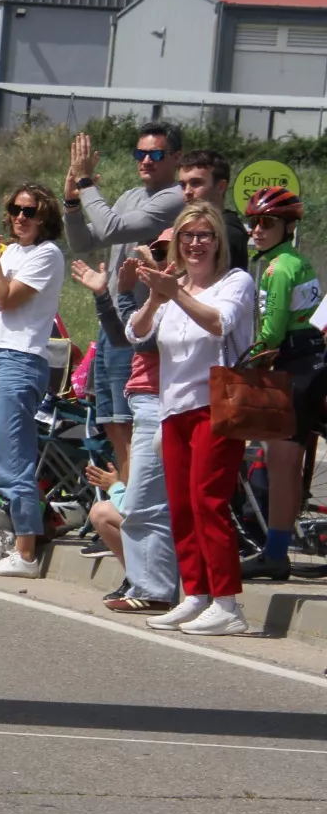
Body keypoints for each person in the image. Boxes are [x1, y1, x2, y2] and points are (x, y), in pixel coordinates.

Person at [127, 202, 256, 636]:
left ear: (219, 242)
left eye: (204, 236)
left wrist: (175, 293)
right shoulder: (175, 284)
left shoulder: (235, 282)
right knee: (181, 506)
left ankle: (228, 604)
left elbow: (221, 323)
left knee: (208, 502)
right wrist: (157, 296)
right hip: (173, 408)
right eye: (187, 236)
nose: (196, 244)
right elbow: (136, 333)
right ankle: (196, 595)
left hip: (217, 406)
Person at [64, 123, 186, 483]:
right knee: (113, 423)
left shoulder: (175, 197)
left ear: (176, 158)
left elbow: (114, 228)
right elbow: (84, 243)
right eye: (140, 153)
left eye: (156, 154)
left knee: (132, 425)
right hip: (110, 322)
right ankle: (125, 502)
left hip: (139, 327)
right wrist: (72, 202)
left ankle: (134, 513)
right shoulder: (131, 195)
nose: (146, 160)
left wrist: (87, 185)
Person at [71, 228, 179, 614]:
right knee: (117, 509)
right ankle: (143, 581)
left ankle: (159, 589)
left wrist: (144, 291)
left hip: (164, 402)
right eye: (155, 249)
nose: (158, 255)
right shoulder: (162, 295)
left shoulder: (180, 293)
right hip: (145, 400)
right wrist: (105, 294)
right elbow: (123, 337)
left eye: (166, 249)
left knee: (146, 507)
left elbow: (145, 340)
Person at [0, 184, 67, 577]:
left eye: (30, 211)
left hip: (17, 358)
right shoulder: (10, 254)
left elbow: (7, 300)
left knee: (12, 458)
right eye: (15, 209)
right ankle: (2, 539)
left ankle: (26, 551)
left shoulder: (48, 254)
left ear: (45, 217)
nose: (20, 217)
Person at [244, 187, 324, 581]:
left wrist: (247, 358)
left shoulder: (276, 269)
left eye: (267, 223)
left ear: (287, 226)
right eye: (254, 222)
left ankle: (274, 554)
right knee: (288, 460)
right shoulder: (297, 261)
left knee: (282, 460)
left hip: (293, 363)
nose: (257, 230)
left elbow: (271, 334)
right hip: (313, 358)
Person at [178, 150, 247, 273]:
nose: (187, 191)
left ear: (221, 187)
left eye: (196, 183)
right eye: (183, 185)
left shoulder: (228, 231)